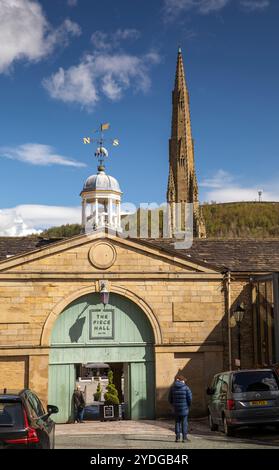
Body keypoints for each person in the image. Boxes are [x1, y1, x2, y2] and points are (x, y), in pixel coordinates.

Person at [168, 374, 192, 442]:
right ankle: (184, 438)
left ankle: (177, 437)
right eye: (184, 380)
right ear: (182, 380)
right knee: (184, 423)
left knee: (177, 422)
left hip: (176, 408)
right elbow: (190, 398)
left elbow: (169, 399)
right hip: (184, 408)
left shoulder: (172, 388)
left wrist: (173, 404)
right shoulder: (186, 388)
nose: (185, 381)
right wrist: (188, 405)